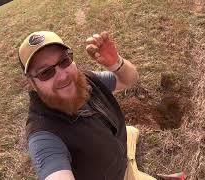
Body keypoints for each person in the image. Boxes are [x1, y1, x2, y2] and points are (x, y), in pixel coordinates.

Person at [18, 31, 156, 180]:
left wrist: (116, 63)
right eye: (45, 72)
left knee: (131, 131)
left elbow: (129, 80)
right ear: (32, 83)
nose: (63, 76)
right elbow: (53, 168)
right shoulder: (44, 135)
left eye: (64, 61)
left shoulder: (86, 80)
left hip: (117, 150)